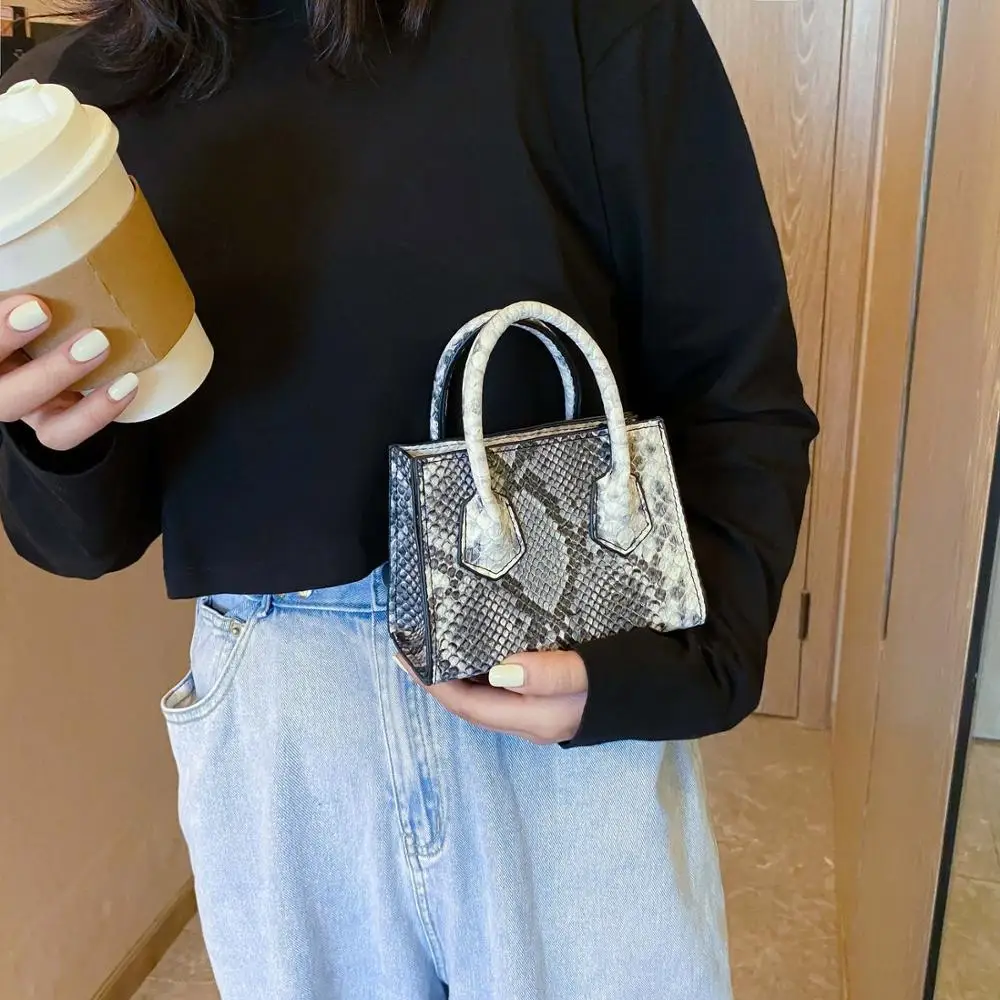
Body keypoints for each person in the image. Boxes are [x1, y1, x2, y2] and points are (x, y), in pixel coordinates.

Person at [0, 0, 818, 997]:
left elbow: (734, 386)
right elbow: (86, 537)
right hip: (283, 733)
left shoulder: (587, 21)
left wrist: (690, 662)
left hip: (558, 672)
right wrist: (50, 427)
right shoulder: (68, 110)